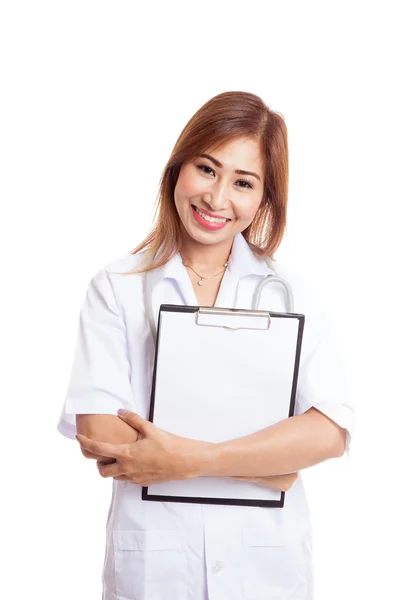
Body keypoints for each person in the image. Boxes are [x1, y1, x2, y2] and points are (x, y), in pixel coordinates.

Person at [57, 90, 355, 600]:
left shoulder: (292, 294)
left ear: (264, 199)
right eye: (207, 169)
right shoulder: (118, 286)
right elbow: (102, 435)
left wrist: (186, 459)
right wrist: (270, 462)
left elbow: (328, 432)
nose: (217, 199)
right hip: (156, 568)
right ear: (178, 168)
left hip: (265, 567)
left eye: (243, 182)